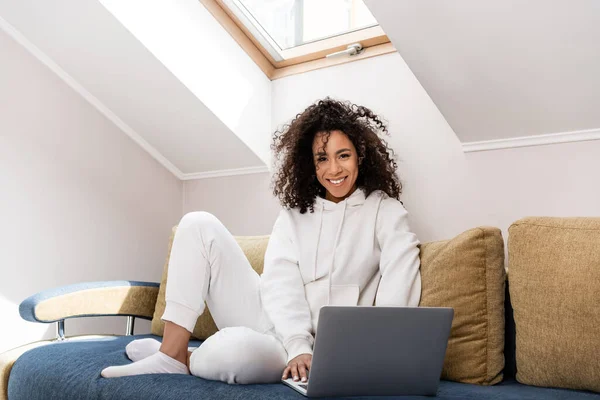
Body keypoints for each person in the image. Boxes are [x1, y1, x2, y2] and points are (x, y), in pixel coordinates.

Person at [100, 98, 422, 385]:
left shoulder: (385, 212)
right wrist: (297, 342)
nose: (333, 169)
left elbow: (399, 292)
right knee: (198, 224)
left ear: (360, 156)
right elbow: (280, 283)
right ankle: (170, 353)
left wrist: (343, 352)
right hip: (269, 318)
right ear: (311, 163)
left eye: (343, 155)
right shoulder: (295, 214)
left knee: (235, 354)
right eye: (322, 158)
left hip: (299, 351)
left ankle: (184, 357)